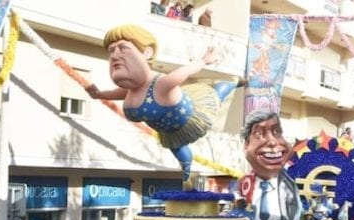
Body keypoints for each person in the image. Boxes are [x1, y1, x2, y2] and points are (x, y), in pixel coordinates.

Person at [85, 24, 243, 185]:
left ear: (147, 53)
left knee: (216, 95)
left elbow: (186, 71)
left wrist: (204, 60)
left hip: (190, 117)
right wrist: (99, 94)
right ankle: (186, 169)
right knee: (177, 148)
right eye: (111, 51)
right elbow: (117, 93)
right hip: (169, 131)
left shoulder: (161, 83)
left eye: (122, 48)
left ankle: (230, 84)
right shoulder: (132, 88)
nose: (115, 55)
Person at [237, 111, 302, 220]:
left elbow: (294, 206)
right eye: (259, 134)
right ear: (247, 144)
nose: (273, 143)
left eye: (277, 132)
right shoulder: (245, 183)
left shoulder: (287, 184)